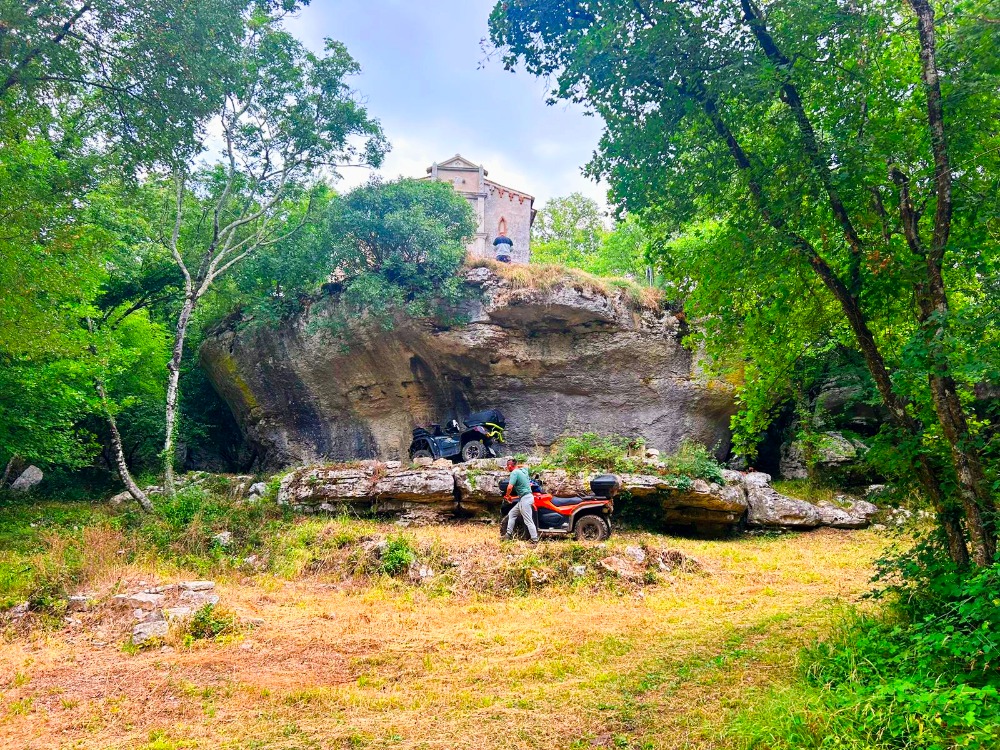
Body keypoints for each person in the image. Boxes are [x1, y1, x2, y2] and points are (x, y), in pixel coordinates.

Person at [502, 457, 539, 544]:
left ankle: (535, 540)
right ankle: (508, 535)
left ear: (510, 466)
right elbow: (526, 465)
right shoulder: (523, 471)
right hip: (526, 497)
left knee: (528, 520)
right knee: (512, 514)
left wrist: (507, 496)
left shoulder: (514, 473)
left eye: (507, 466)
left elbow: (510, 487)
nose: (507, 468)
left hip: (525, 499)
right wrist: (516, 465)